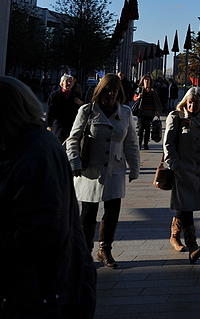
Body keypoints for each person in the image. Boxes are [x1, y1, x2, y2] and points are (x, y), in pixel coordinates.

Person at [0, 76, 97, 318]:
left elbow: (41, 230)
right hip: (47, 287)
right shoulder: (23, 146)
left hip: (48, 292)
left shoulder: (36, 153)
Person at [66, 74, 141, 269]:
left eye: (114, 91)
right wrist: (74, 162)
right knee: (88, 212)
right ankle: (84, 251)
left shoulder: (125, 113)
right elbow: (73, 139)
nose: (110, 94)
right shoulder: (87, 111)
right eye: (107, 90)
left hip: (115, 169)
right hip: (90, 169)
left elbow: (131, 143)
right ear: (100, 91)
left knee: (112, 210)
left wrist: (134, 168)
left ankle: (105, 249)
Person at [164, 87, 200, 264]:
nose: (193, 106)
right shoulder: (176, 117)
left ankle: (174, 235)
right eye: (190, 102)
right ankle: (192, 246)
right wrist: (175, 164)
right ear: (185, 102)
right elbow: (168, 143)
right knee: (187, 207)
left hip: (199, 170)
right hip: (181, 169)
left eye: (197, 103)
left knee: (186, 204)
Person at [46, 74, 83, 144]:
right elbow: (49, 111)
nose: (68, 83)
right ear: (62, 83)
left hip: (72, 125)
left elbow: (83, 109)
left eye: (70, 81)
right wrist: (49, 125)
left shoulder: (76, 95)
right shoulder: (55, 96)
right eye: (66, 81)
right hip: (59, 126)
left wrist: (80, 103)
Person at [132, 74, 163, 150]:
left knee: (148, 128)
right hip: (141, 112)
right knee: (141, 128)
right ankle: (139, 144)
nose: (147, 81)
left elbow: (155, 101)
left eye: (148, 80)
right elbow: (134, 98)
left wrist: (157, 111)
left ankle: (146, 144)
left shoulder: (153, 90)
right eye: (145, 80)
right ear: (143, 81)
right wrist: (138, 97)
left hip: (150, 112)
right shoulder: (139, 89)